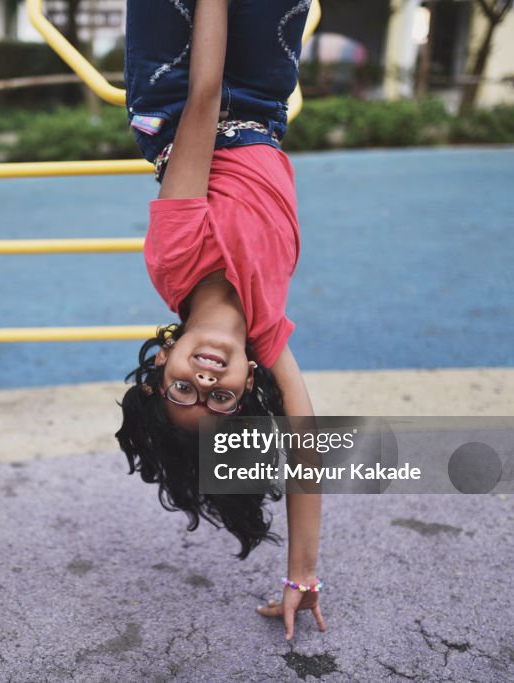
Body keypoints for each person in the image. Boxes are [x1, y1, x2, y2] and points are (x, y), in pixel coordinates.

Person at [116, 0, 326, 640]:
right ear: (249, 390)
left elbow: (203, 98)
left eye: (184, 389)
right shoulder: (264, 333)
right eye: (221, 401)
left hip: (178, 91)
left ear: (162, 365)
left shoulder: (177, 259)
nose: (205, 381)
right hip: (262, 102)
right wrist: (302, 574)